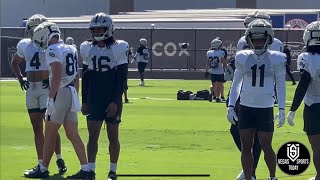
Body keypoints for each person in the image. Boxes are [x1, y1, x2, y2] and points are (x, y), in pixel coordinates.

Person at [25, 22, 89, 179]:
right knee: (72, 133)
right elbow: (76, 76)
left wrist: (51, 98)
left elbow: (57, 74)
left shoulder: (53, 49)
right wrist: (75, 94)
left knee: (50, 132)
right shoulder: (70, 48)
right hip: (70, 91)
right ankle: (87, 169)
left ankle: (43, 168)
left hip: (60, 92)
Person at [227, 19, 286, 180]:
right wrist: (231, 106)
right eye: (255, 39)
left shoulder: (277, 58)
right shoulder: (242, 57)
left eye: (261, 39)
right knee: (246, 146)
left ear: (268, 39)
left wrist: (281, 109)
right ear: (249, 40)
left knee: (267, 146)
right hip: (246, 106)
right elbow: (236, 83)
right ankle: (248, 176)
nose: (258, 42)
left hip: (265, 107)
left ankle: (272, 177)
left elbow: (281, 85)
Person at [10, 14, 67, 175]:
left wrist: (51, 80)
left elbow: (60, 65)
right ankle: (41, 163)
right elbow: (15, 62)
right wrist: (20, 78)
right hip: (31, 89)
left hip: (45, 89)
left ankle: (58, 157)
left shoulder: (50, 45)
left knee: (51, 127)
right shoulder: (24, 45)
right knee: (37, 129)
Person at [80, 12, 128, 180]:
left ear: (109, 29)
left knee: (112, 136)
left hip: (110, 96)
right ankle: (91, 171)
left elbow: (122, 78)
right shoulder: (87, 47)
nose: (98, 31)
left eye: (101, 28)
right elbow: (85, 76)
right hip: (94, 96)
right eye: (95, 28)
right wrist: (84, 100)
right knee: (92, 135)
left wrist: (115, 100)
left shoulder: (119, 47)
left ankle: (112, 171)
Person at [287, 21, 320, 180]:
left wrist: (293, 109)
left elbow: (303, 84)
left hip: (314, 106)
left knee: (317, 147)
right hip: (314, 105)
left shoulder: (306, 57)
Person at [205, 38, 227, 102]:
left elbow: (208, 63)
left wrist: (206, 71)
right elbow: (223, 62)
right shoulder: (221, 52)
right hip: (219, 71)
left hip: (212, 71)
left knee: (214, 84)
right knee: (219, 85)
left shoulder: (209, 52)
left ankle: (211, 94)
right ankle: (217, 97)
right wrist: (227, 68)